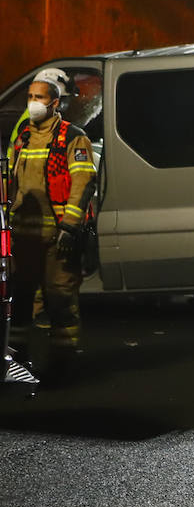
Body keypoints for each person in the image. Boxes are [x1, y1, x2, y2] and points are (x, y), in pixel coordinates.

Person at [7, 67, 97, 356]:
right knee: (20, 302)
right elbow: (11, 181)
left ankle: (62, 363)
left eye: (39, 97)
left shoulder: (72, 138)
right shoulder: (22, 137)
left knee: (60, 301)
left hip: (59, 237)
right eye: (30, 96)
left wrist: (70, 227)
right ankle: (18, 362)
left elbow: (84, 182)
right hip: (23, 236)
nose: (32, 102)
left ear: (55, 103)